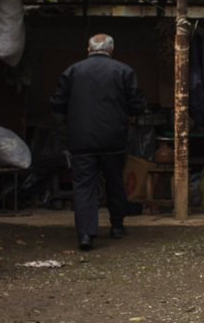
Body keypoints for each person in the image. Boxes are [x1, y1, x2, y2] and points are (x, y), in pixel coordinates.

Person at [50, 33, 146, 251]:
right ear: (111, 50)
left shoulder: (72, 71)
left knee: (84, 186)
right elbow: (137, 105)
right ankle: (117, 226)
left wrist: (72, 115)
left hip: (81, 139)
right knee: (115, 181)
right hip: (114, 139)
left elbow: (56, 102)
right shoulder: (124, 71)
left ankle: (85, 234)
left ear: (88, 49)